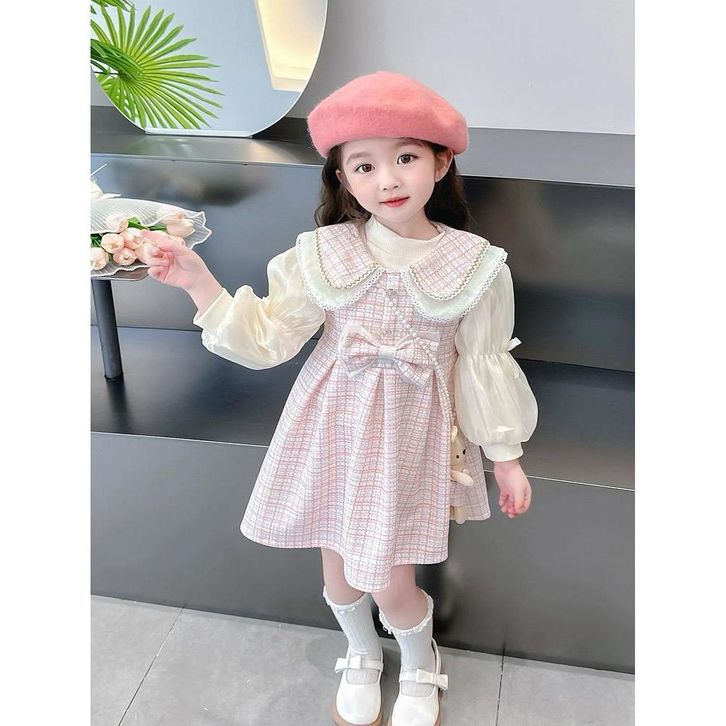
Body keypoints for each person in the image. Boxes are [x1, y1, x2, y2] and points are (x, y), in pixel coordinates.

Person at [140, 70, 538, 726]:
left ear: (440, 162)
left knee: (391, 579)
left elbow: (482, 365)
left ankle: (419, 659)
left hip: (411, 439)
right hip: (331, 431)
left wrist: (505, 457)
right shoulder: (323, 254)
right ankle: (361, 652)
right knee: (339, 571)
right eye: (364, 166)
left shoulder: (476, 266)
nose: (388, 180)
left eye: (406, 158)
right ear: (344, 180)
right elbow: (269, 336)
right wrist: (198, 282)